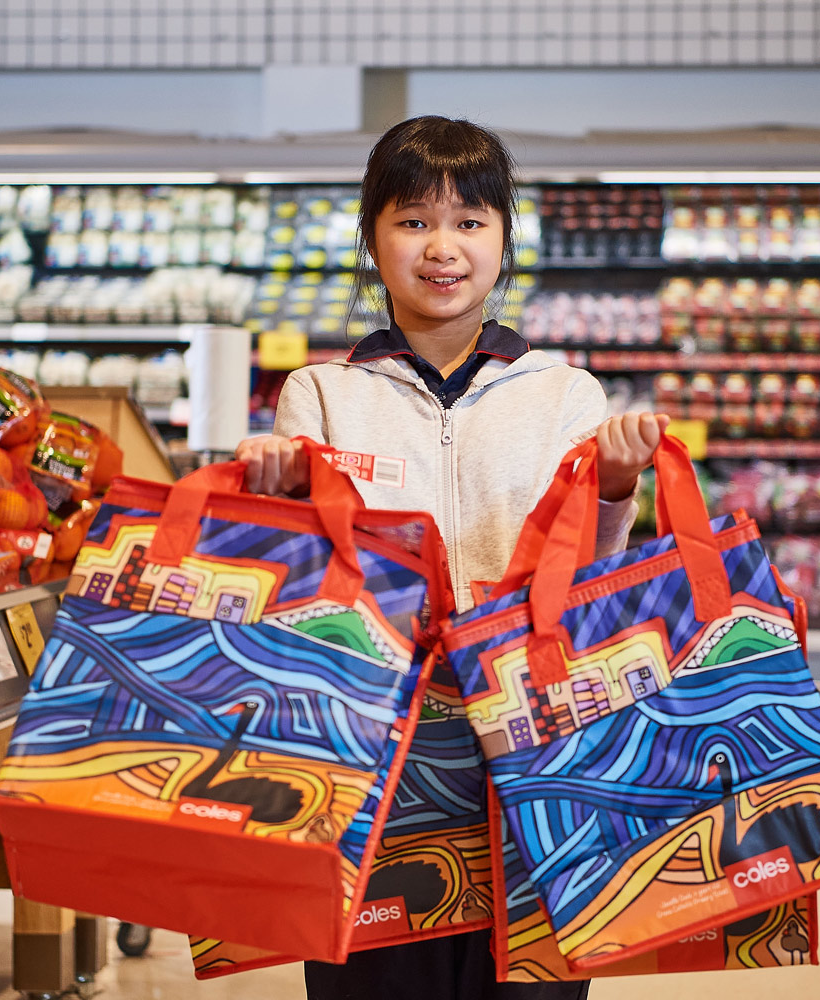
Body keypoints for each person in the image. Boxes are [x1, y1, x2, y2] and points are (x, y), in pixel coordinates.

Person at [235, 115, 669, 1000]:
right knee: (376, 980)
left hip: (535, 744)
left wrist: (618, 488)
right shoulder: (321, 394)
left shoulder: (563, 394)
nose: (443, 247)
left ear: (505, 240)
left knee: (531, 982)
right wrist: (273, 504)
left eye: (470, 221)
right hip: (371, 752)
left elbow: (585, 580)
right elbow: (299, 593)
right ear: (372, 238)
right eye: (413, 220)